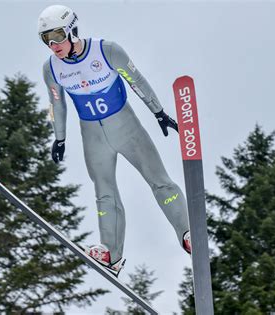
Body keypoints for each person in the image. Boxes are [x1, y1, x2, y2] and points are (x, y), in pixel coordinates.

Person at [38, 5, 191, 276]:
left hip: (126, 127)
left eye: (58, 35)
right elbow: (57, 104)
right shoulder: (51, 68)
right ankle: (111, 253)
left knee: (159, 181)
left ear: (73, 29)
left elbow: (136, 80)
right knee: (104, 192)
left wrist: (159, 112)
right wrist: (59, 138)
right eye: (46, 39)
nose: (53, 45)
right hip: (92, 135)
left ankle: (188, 232)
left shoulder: (106, 50)